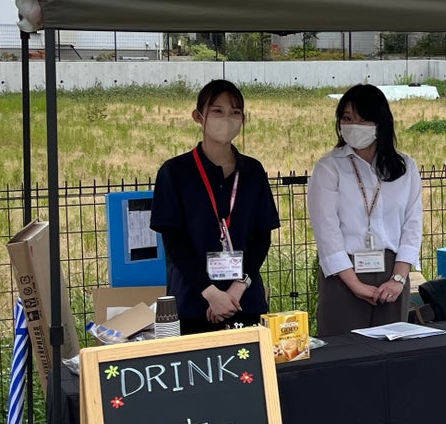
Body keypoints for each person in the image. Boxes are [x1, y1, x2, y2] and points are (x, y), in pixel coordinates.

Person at [150, 80, 281, 334]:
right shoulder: (175, 172)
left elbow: (263, 237)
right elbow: (174, 242)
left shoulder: (253, 171)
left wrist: (236, 289)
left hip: (244, 301)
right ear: (198, 117)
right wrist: (211, 294)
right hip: (191, 303)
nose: (227, 118)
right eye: (217, 111)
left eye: (235, 112)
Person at [308, 84, 424, 337]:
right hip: (342, 272)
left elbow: (413, 225)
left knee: (390, 351)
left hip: (392, 270)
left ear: (380, 122)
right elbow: (326, 231)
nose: (353, 125)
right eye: (347, 118)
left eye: (362, 119)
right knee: (344, 351)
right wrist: (354, 284)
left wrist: (398, 279)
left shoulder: (405, 167)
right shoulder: (329, 167)